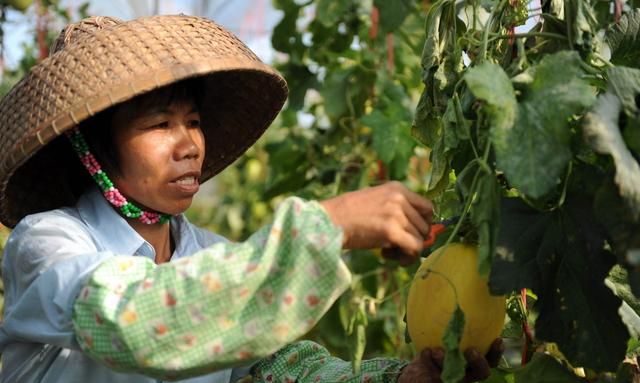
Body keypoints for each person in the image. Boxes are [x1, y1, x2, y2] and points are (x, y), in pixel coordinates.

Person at [0, 15, 502, 383]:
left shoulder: (211, 255)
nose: (189, 145)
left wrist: (402, 378)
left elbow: (282, 366)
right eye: (159, 124)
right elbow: (132, 321)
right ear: (93, 149)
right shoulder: (47, 244)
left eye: (193, 123)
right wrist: (329, 227)